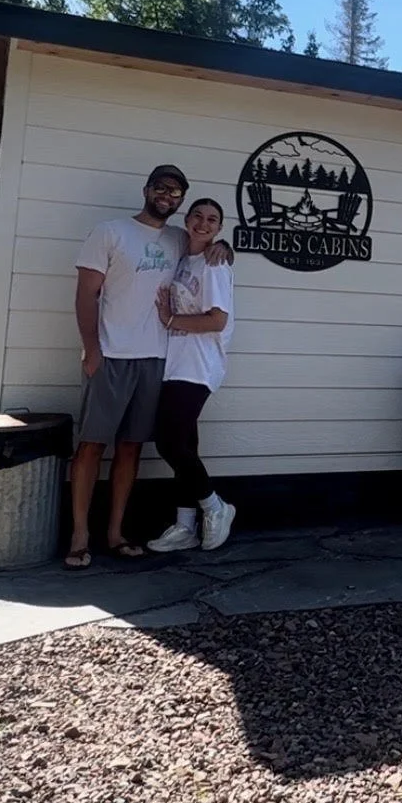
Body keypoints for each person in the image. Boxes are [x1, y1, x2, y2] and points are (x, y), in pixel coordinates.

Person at [66, 164, 230, 569]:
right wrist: (91, 349)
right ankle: (79, 534)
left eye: (176, 192)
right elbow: (86, 296)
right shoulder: (110, 231)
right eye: (162, 187)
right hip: (111, 354)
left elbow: (210, 250)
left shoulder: (180, 238)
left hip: (158, 361)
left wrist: (226, 246)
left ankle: (116, 533)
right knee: (90, 446)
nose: (168, 195)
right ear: (147, 189)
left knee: (131, 446)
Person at [147, 197, 236, 553]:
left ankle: (216, 505)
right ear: (187, 220)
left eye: (212, 219)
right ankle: (185, 526)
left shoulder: (214, 265)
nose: (203, 223)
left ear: (219, 228)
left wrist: (170, 320)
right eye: (198, 215)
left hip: (198, 366)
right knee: (186, 446)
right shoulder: (185, 258)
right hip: (175, 363)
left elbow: (217, 319)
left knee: (168, 442)